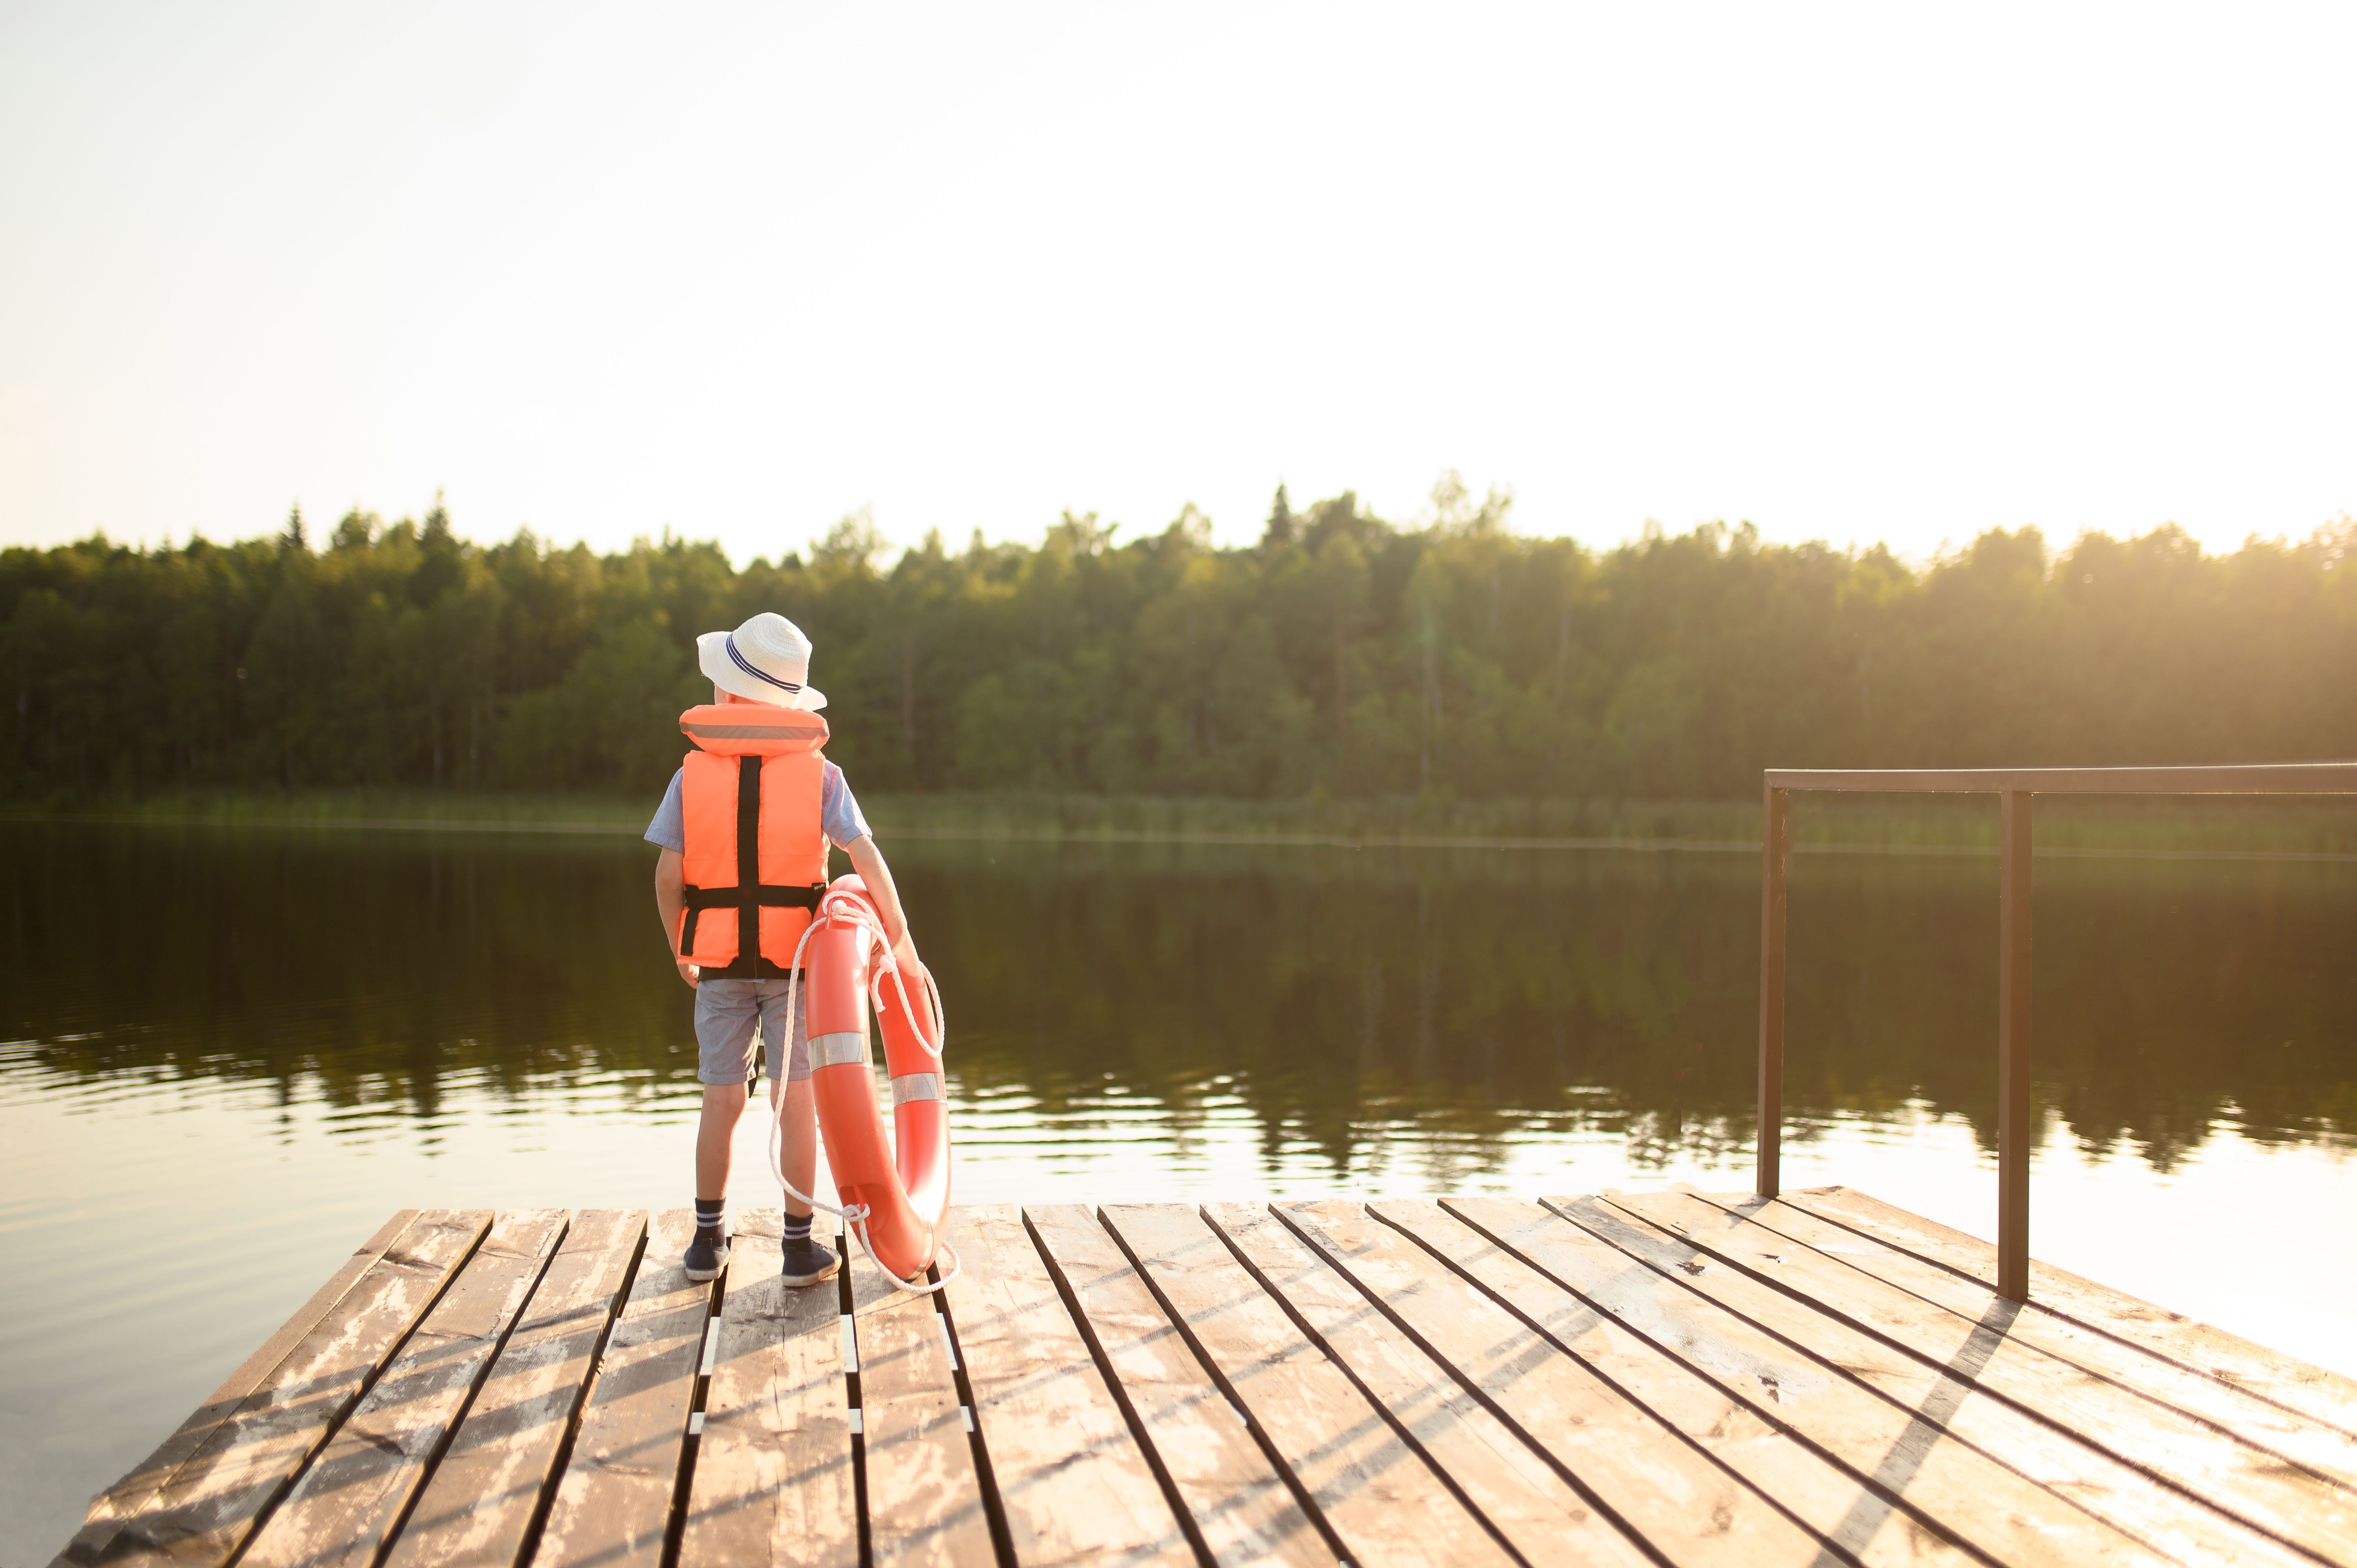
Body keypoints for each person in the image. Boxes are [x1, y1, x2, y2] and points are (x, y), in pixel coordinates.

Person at [645, 611, 925, 1287]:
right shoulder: (822, 776)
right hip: (798, 969)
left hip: (718, 967)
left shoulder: (691, 775)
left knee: (722, 1100)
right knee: (794, 1101)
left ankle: (706, 1243)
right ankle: (799, 1250)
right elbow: (865, 855)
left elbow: (667, 875)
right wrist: (901, 936)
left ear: (732, 698)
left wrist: (681, 946)